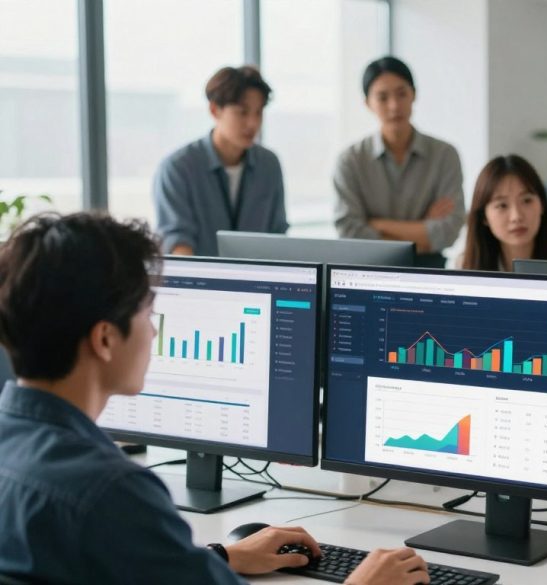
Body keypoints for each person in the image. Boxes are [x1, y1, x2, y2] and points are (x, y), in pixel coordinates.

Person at [0, 213, 427, 585]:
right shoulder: (114, 494)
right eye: (148, 315)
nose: (152, 333)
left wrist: (220, 557)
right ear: (105, 339)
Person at [334, 56, 465, 268]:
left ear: (414, 94)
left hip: (429, 271)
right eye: (383, 97)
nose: (394, 106)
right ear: (368, 103)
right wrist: (422, 228)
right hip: (368, 270)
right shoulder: (350, 161)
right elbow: (349, 232)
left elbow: (448, 231)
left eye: (402, 94)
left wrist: (377, 224)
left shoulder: (444, 155)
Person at [153, 65, 288, 257]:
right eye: (243, 112)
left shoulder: (269, 165)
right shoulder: (178, 168)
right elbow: (177, 241)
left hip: (258, 283)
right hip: (200, 283)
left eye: (258, 113)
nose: (253, 123)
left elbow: (278, 234)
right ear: (215, 110)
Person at [457, 154, 547, 271]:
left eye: (527, 200)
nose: (516, 216)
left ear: (542, 205)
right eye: (502, 205)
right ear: (483, 216)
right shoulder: (465, 265)